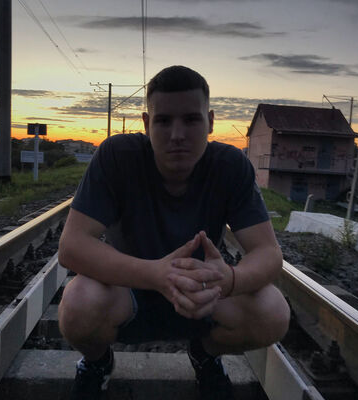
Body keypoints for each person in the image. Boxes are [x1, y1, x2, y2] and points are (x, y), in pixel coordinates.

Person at [58, 65, 290, 400]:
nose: (177, 134)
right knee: (77, 304)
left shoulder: (230, 165)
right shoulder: (117, 156)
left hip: (202, 295)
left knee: (273, 312)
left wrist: (229, 280)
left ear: (210, 121)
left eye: (191, 120)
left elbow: (268, 253)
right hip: (129, 290)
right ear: (146, 123)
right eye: (164, 120)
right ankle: (97, 362)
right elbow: (72, 246)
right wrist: (157, 275)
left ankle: (205, 355)